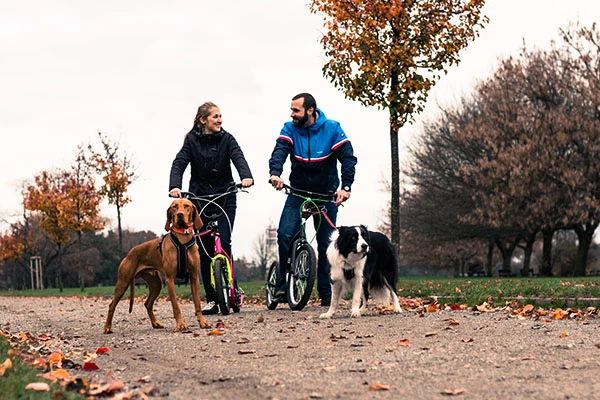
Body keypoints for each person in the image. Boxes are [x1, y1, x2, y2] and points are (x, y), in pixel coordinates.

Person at [269, 93, 357, 307]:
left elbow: (348, 158)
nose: (292, 114)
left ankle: (327, 294)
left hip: (325, 194)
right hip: (297, 191)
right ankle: (283, 285)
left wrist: (345, 187)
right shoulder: (289, 128)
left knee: (326, 244)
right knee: (284, 234)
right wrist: (275, 173)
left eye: (296, 110)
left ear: (310, 110)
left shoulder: (332, 129)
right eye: (291, 110)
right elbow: (280, 151)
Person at [169, 102, 253, 315]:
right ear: (203, 120)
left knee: (224, 242)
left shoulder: (227, 139)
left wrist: (246, 176)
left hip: (225, 196)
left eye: (220, 116)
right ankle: (212, 299)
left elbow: (238, 157)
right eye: (215, 116)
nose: (219, 120)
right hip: (199, 198)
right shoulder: (191, 141)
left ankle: (231, 289)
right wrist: (175, 186)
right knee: (205, 248)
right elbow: (179, 162)